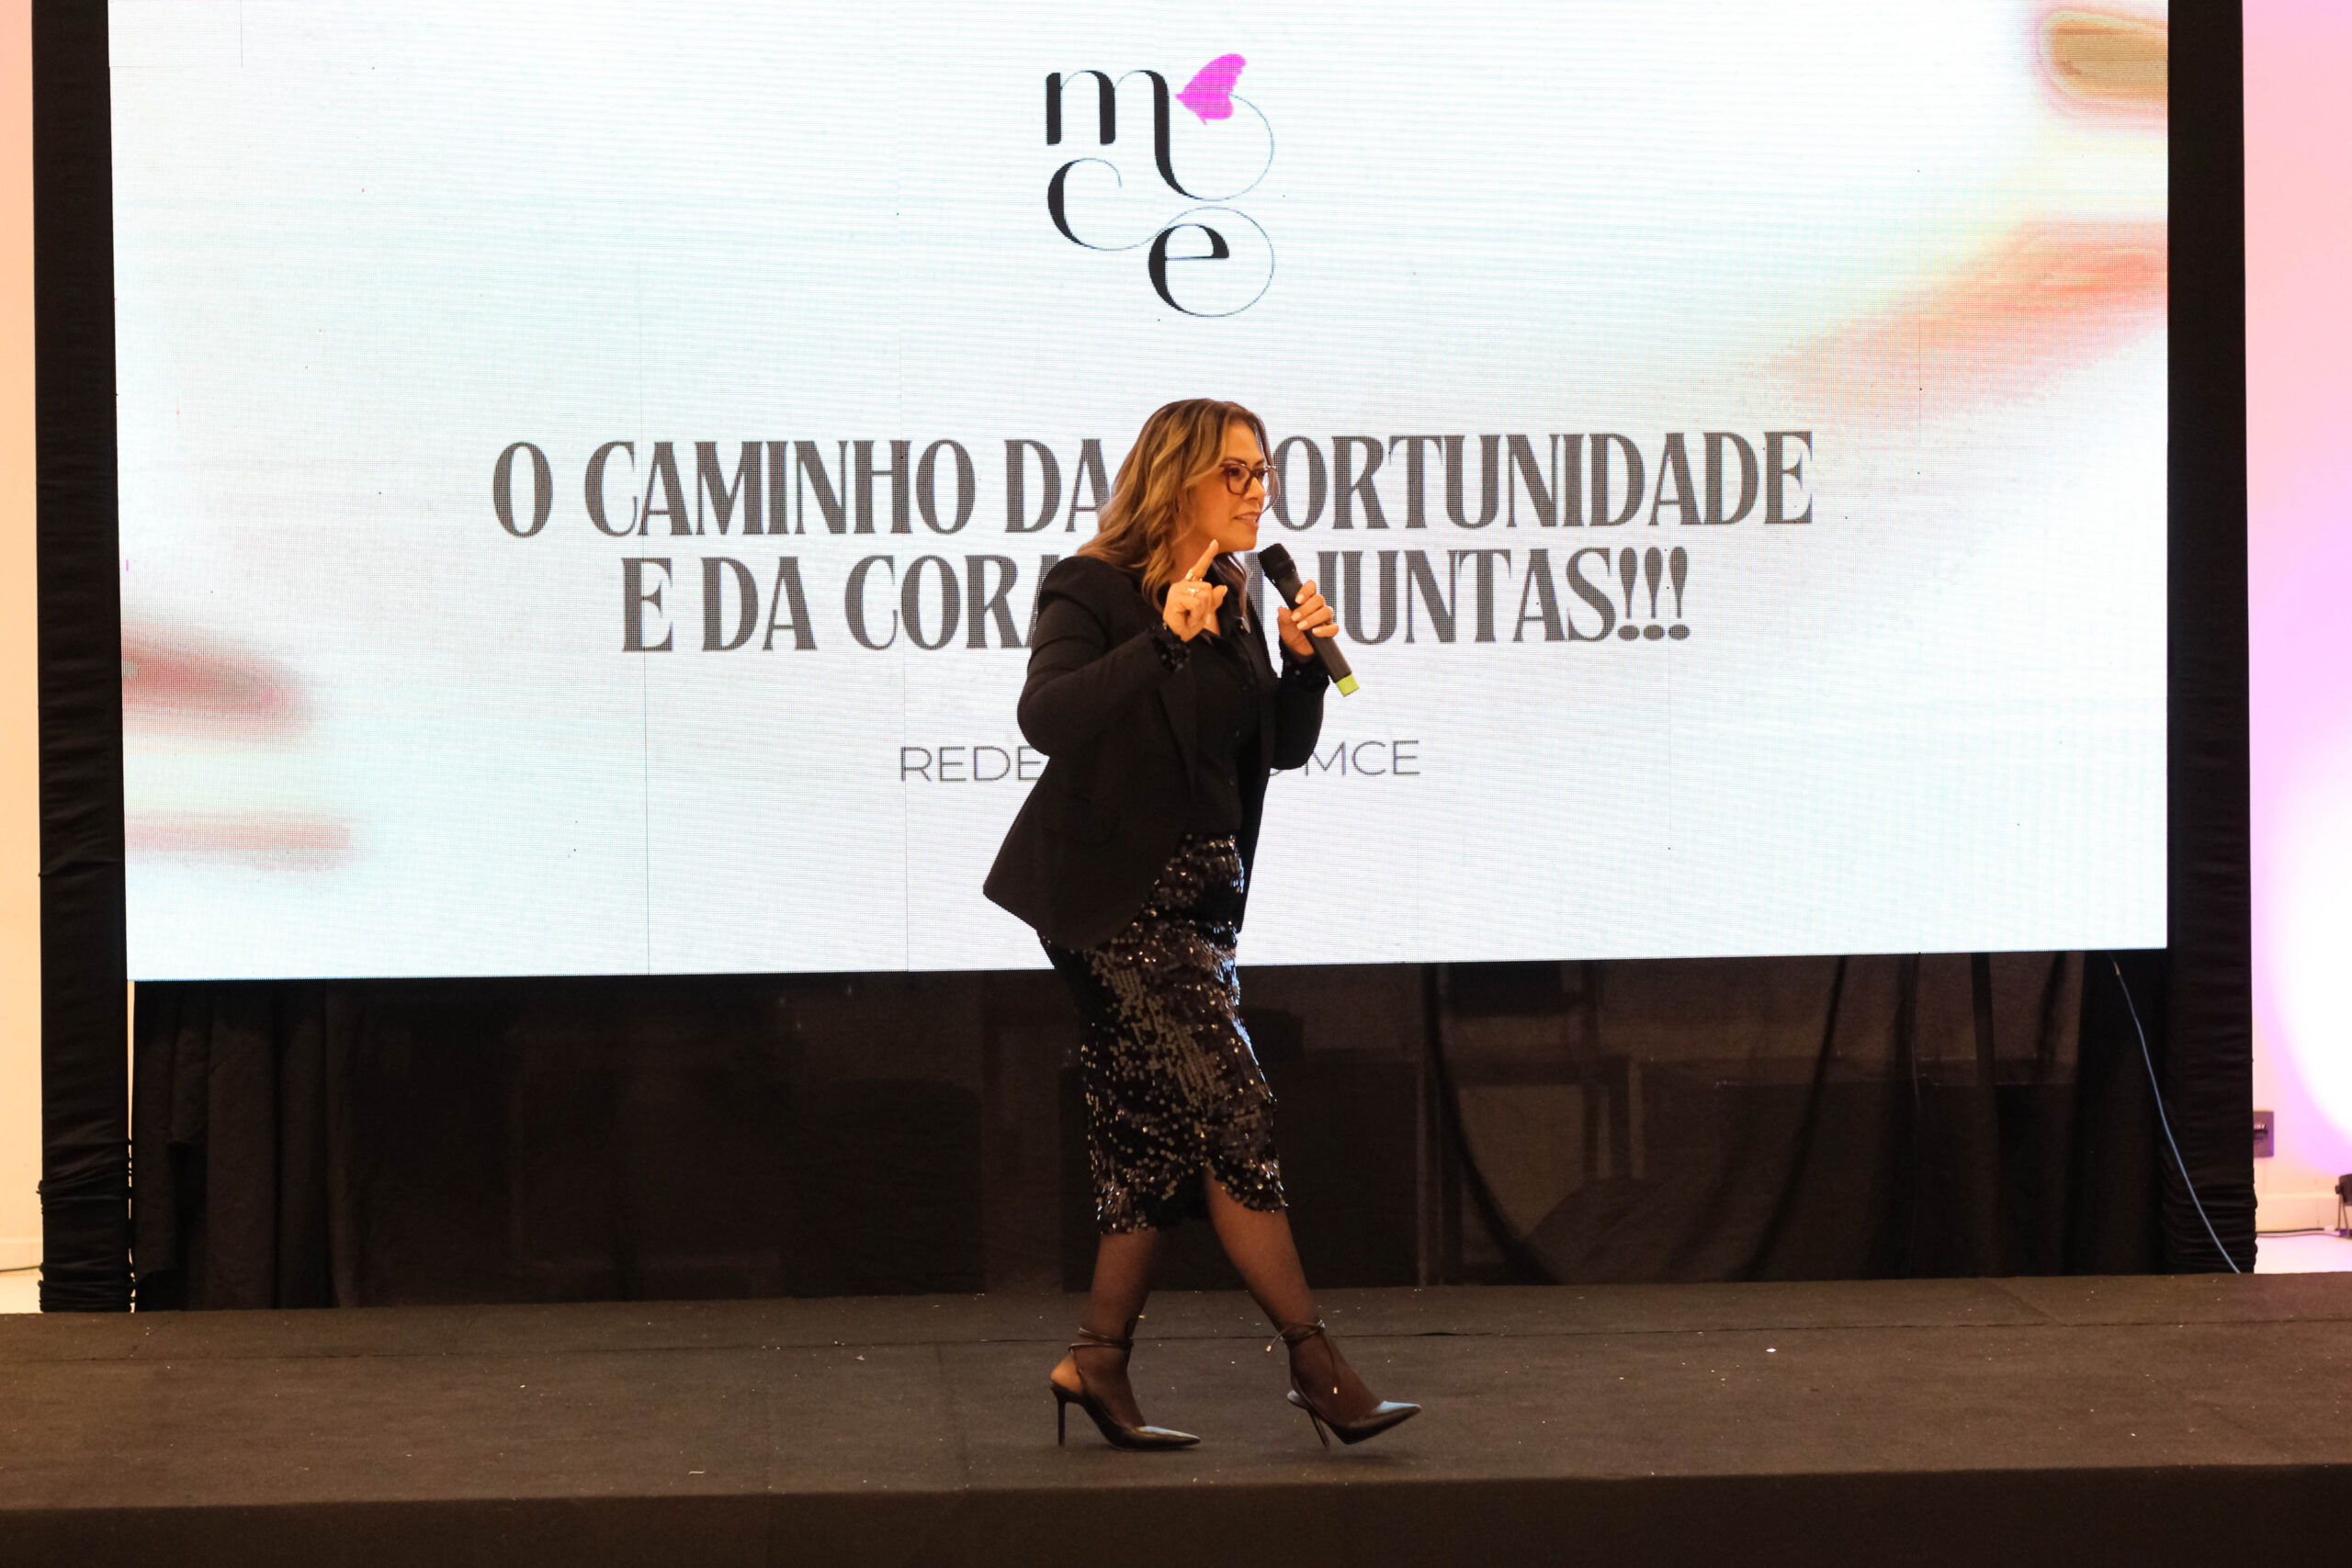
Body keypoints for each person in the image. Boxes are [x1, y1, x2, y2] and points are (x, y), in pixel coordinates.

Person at [984, 398, 1420, 1450]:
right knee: (1236, 1110)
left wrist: (1302, 664)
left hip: (1204, 903)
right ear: (1175, 476)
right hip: (1114, 903)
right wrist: (1161, 642)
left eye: (1264, 471)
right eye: (1236, 471)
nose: (1258, 489)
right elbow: (1045, 717)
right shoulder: (1092, 584)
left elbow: (1270, 750)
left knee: (1146, 1139)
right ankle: (1315, 1363)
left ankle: (1095, 1361)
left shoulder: (1233, 593)